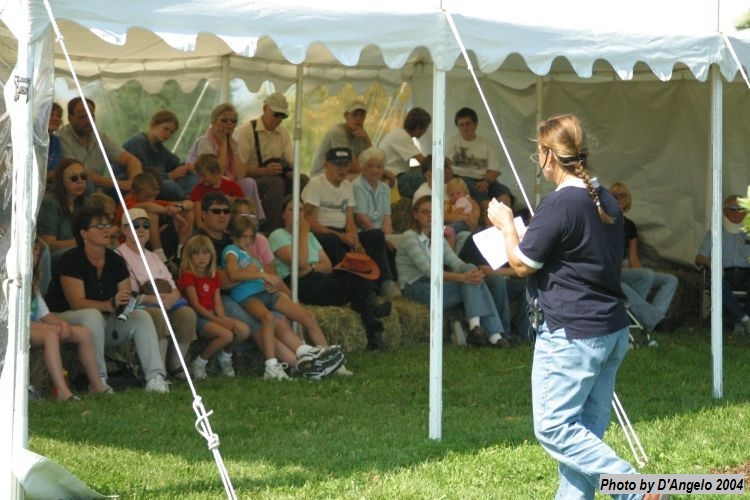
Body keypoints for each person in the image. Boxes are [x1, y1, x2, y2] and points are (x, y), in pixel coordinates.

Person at [487, 114, 643, 499]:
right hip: (610, 329)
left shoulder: (559, 204)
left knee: (555, 429)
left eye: (536, 153)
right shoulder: (603, 197)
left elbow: (522, 264)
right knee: (583, 435)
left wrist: (506, 225)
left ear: (547, 156)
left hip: (572, 334)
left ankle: (637, 490)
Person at [198, 192, 346, 379]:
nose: (222, 215)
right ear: (204, 214)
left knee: (283, 319)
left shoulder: (247, 244)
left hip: (259, 291)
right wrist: (257, 274)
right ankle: (297, 365)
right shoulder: (209, 243)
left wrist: (288, 294)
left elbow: (270, 274)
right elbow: (223, 279)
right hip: (227, 296)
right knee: (261, 323)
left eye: (225, 211)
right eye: (216, 211)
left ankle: (317, 357)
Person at [44, 205, 170, 393]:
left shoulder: (115, 260)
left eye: (107, 226)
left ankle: (155, 377)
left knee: (141, 317)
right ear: (84, 233)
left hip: (103, 319)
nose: (106, 230)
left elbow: (125, 297)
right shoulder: (71, 259)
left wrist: (125, 304)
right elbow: (76, 302)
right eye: (99, 227)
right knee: (92, 315)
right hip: (64, 318)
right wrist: (110, 303)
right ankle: (99, 380)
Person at [270, 195, 391, 352]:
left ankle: (373, 326)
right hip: (298, 283)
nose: (297, 214)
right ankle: (374, 325)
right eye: (292, 210)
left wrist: (310, 267)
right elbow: (299, 263)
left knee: (355, 274)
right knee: (354, 288)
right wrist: (303, 234)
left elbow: (327, 265)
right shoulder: (278, 235)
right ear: (283, 214)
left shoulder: (310, 236)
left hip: (316, 276)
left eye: (300, 210)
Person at [396, 195, 511, 348]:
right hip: (417, 288)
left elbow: (456, 263)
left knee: (472, 274)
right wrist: (463, 278)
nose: (429, 215)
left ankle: (476, 329)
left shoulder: (437, 237)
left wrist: (472, 272)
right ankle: (492, 334)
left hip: (437, 284)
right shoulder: (409, 237)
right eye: (425, 212)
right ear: (415, 215)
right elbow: (429, 270)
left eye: (432, 212)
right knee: (470, 282)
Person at [302, 146, 401, 298]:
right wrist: (341, 236)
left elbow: (350, 220)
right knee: (334, 240)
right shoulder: (316, 184)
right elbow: (308, 220)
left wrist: (355, 239)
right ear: (326, 165)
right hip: (321, 233)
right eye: (337, 165)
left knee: (375, 236)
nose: (342, 169)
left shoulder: (348, 186)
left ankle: (375, 286)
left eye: (346, 165)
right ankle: (352, 289)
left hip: (342, 232)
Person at [116, 208, 198, 380]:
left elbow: (173, 285)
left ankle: (177, 366)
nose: (141, 230)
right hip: (138, 306)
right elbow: (126, 293)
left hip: (164, 301)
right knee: (158, 316)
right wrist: (157, 300)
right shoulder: (119, 256)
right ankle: (158, 370)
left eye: (146, 225)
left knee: (187, 314)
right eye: (135, 225)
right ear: (124, 230)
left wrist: (173, 297)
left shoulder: (154, 256)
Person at [30, 237, 111, 399]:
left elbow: (45, 314)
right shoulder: (10, 281)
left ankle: (97, 385)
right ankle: (62, 391)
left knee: (83, 333)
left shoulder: (33, 285)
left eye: (38, 254)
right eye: (32, 252)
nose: (36, 257)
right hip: (14, 328)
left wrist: (62, 323)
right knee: (51, 335)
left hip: (36, 326)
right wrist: (54, 328)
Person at [178, 234, 251, 379]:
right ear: (189, 256)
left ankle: (225, 356)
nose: (201, 257)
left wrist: (223, 317)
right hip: (197, 317)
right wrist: (217, 321)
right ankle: (200, 362)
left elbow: (217, 302)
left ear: (211, 255)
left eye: (205, 253)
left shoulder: (213, 275)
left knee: (243, 330)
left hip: (212, 315)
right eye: (196, 253)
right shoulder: (188, 276)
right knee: (226, 335)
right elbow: (196, 305)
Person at [610, 182, 678, 333]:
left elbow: (634, 258)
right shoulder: (604, 221)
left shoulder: (630, 225)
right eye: (615, 196)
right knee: (642, 276)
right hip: (611, 270)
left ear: (628, 199)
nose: (619, 198)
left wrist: (640, 274)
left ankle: (649, 319)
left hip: (627, 270)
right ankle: (654, 322)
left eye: (623, 195)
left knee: (670, 279)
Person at [186, 103, 265, 224]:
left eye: (233, 121)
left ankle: (251, 219)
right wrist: (223, 143)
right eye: (224, 120)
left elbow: (241, 174)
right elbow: (217, 172)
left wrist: (232, 148)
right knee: (225, 180)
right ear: (213, 121)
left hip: (227, 182)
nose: (229, 124)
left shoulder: (233, 142)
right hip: (206, 183)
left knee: (249, 183)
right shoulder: (205, 142)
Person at [234, 92, 300, 232]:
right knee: (275, 183)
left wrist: (290, 170)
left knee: (302, 180)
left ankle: (298, 225)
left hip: (276, 177)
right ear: (265, 109)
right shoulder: (247, 130)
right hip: (251, 181)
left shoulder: (283, 133)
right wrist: (264, 171)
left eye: (282, 116)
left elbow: (291, 160)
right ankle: (271, 230)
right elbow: (239, 169)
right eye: (276, 114)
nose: (278, 119)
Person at [56, 97, 142, 192]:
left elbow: (132, 160)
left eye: (91, 116)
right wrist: (121, 184)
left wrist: (134, 183)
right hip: (76, 189)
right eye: (82, 117)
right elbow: (80, 173)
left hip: (100, 188)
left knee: (145, 180)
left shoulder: (99, 136)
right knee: (88, 185)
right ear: (70, 118)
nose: (88, 121)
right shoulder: (61, 138)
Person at [695, 194, 750, 335]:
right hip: (725, 274)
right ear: (724, 211)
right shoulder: (715, 233)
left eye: (741, 208)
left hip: (746, 273)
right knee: (716, 283)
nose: (738, 211)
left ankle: (741, 322)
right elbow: (699, 258)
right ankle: (744, 319)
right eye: (733, 208)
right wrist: (711, 263)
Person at [122, 109, 199, 200]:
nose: (168, 134)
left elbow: (174, 163)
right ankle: (183, 202)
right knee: (170, 186)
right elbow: (143, 173)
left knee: (194, 178)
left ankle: (184, 201)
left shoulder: (159, 147)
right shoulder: (138, 142)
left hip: (159, 181)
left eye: (171, 132)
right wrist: (169, 176)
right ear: (154, 124)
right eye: (166, 129)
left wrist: (186, 167)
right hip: (136, 185)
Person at [447, 107, 512, 212]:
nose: (465, 128)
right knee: (481, 196)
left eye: (468, 124)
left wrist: (486, 181)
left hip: (482, 179)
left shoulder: (485, 145)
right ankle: (489, 223)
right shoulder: (451, 142)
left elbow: (494, 170)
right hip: (460, 178)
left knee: (504, 192)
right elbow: (444, 163)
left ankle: (506, 223)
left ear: (475, 124)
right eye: (461, 125)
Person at [121, 171, 194, 263]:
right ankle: (159, 255)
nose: (151, 199)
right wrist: (173, 213)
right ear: (134, 193)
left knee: (187, 210)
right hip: (133, 241)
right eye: (147, 196)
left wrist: (179, 209)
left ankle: (182, 250)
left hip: (153, 235)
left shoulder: (152, 202)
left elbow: (190, 204)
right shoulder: (129, 203)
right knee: (152, 213)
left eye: (154, 196)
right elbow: (148, 206)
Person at [38, 158, 90, 254]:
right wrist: (84, 241)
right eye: (74, 178)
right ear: (61, 181)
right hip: (57, 256)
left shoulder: (86, 203)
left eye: (83, 177)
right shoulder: (49, 203)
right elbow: (47, 245)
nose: (80, 181)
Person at [379, 107, 431, 199]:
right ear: (419, 128)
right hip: (390, 177)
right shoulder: (402, 136)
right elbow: (424, 162)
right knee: (430, 177)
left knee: (423, 172)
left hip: (396, 174)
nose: (425, 132)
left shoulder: (399, 133)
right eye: (426, 128)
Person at [310, 100, 372, 178]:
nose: (358, 119)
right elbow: (354, 168)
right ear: (346, 116)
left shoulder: (361, 134)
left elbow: (371, 161)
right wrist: (371, 171)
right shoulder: (337, 133)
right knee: (365, 178)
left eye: (361, 116)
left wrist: (367, 139)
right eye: (354, 115)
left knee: (375, 177)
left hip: (342, 174)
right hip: (321, 176)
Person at [191, 153, 244, 229]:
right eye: (199, 176)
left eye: (204, 176)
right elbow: (198, 216)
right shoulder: (199, 189)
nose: (201, 179)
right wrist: (202, 228)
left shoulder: (231, 186)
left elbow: (243, 205)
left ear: (216, 172)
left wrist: (232, 201)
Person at [46, 102, 63, 180]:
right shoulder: (32, 140)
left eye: (59, 116)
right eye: (50, 115)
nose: (55, 119)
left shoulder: (56, 141)